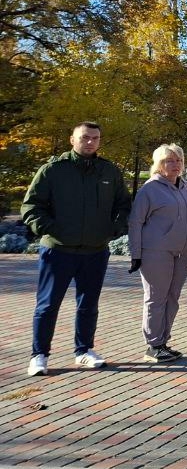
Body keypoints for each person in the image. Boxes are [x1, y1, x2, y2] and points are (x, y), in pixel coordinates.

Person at [23, 121, 131, 376]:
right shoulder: (53, 170)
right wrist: (53, 229)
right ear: (72, 140)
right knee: (48, 305)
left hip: (95, 251)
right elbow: (31, 207)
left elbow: (123, 205)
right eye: (85, 137)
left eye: (95, 138)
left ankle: (84, 351)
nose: (90, 142)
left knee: (88, 304)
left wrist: (113, 229)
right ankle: (39, 355)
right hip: (58, 251)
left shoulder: (109, 171)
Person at [129, 144, 187, 363]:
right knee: (156, 298)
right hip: (156, 252)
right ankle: (153, 344)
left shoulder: (186, 187)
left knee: (172, 298)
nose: (175, 165)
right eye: (169, 161)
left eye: (178, 160)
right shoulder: (150, 189)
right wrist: (135, 253)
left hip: (183, 252)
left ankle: (163, 342)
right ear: (159, 164)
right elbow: (136, 221)